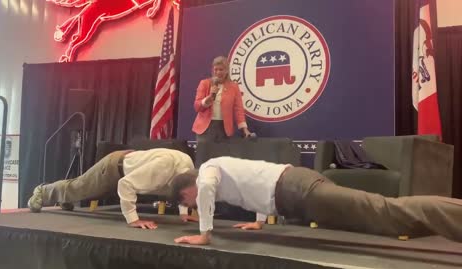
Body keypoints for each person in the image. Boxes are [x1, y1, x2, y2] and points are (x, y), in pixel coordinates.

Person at [171, 156, 462, 245]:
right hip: (295, 190)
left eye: (188, 202)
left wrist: (204, 235)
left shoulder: (207, 172)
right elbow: (254, 184)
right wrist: (259, 222)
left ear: (188, 190)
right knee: (385, 221)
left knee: (386, 211)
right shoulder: (220, 171)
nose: (194, 206)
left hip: (298, 190)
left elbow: (206, 188)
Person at [28, 148, 198, 229]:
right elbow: (125, 184)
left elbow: (184, 189)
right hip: (112, 168)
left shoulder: (187, 169)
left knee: (78, 188)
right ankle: (42, 192)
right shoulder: (165, 167)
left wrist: (184, 213)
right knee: (77, 187)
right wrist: (133, 219)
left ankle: (65, 197)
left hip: (124, 165)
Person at [192, 56, 252, 142]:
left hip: (224, 129)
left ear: (227, 71)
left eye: (221, 69)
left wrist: (244, 129)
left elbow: (238, 110)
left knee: (223, 155)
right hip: (205, 129)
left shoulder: (233, 87)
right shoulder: (205, 83)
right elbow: (197, 107)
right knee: (205, 155)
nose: (218, 72)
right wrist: (208, 99)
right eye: (216, 69)